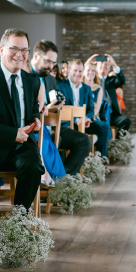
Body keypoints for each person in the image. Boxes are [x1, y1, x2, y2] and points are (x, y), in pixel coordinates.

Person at [0, 28, 45, 211]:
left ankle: (19, 220)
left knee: (34, 167)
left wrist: (35, 119)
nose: (20, 54)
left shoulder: (32, 81)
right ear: (1, 50)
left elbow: (33, 107)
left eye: (24, 50)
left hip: (24, 146)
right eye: (14, 49)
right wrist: (11, 134)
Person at [32, 41, 91, 175]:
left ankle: (64, 177)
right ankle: (54, 177)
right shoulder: (25, 74)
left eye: (53, 63)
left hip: (52, 125)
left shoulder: (51, 80)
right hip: (35, 127)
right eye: (48, 61)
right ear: (36, 57)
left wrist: (56, 107)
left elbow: (54, 108)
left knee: (84, 141)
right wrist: (47, 107)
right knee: (52, 142)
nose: (51, 67)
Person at [59, 59, 111, 157]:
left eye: (80, 71)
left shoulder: (86, 88)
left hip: (85, 122)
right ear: (69, 70)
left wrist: (87, 118)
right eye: (75, 70)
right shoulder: (61, 86)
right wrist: (76, 120)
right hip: (69, 123)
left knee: (104, 126)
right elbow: (61, 108)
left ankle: (101, 160)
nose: (78, 74)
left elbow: (91, 109)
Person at [92, 54, 132, 131]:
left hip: (112, 115)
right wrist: (89, 63)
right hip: (97, 114)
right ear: (96, 67)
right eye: (101, 63)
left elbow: (121, 80)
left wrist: (114, 64)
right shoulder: (92, 80)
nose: (103, 65)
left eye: (106, 64)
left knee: (126, 121)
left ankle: (117, 142)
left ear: (109, 68)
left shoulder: (112, 80)